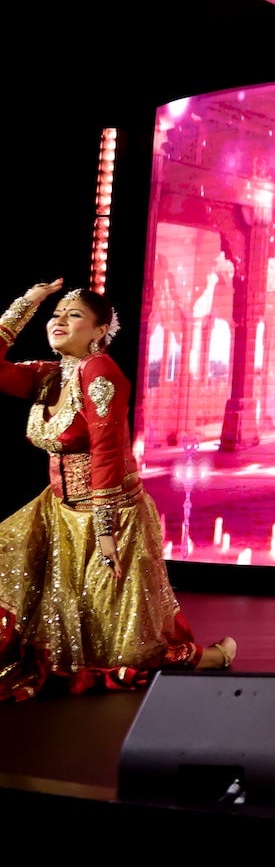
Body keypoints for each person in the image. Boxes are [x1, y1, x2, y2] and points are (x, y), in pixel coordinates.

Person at [1, 280, 235, 698]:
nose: (59, 320)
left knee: (126, 647)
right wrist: (27, 303)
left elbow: (108, 450)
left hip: (110, 514)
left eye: (74, 315)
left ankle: (209, 658)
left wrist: (106, 530)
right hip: (58, 513)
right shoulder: (48, 376)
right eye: (55, 315)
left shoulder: (100, 371)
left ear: (99, 330)